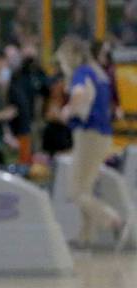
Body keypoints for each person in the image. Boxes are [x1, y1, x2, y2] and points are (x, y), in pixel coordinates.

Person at [56, 36, 123, 246]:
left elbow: (79, 94)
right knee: (86, 188)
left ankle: (112, 218)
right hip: (103, 135)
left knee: (75, 191)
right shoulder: (98, 72)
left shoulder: (82, 72)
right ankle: (86, 237)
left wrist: (67, 111)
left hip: (88, 135)